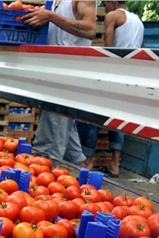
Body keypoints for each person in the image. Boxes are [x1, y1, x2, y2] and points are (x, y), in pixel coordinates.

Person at [22, 0, 97, 164]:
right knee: (61, 122)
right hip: (54, 69)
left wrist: (51, 16)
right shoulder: (56, 1)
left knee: (51, 134)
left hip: (67, 72)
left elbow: (90, 29)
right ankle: (79, 165)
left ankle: (45, 170)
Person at [78, 0, 144, 177]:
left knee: (95, 117)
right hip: (132, 76)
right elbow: (143, 50)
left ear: (113, 2)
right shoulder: (138, 21)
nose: (105, 7)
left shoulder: (112, 16)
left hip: (114, 73)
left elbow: (109, 49)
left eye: (106, 3)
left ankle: (88, 160)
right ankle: (115, 164)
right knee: (120, 119)